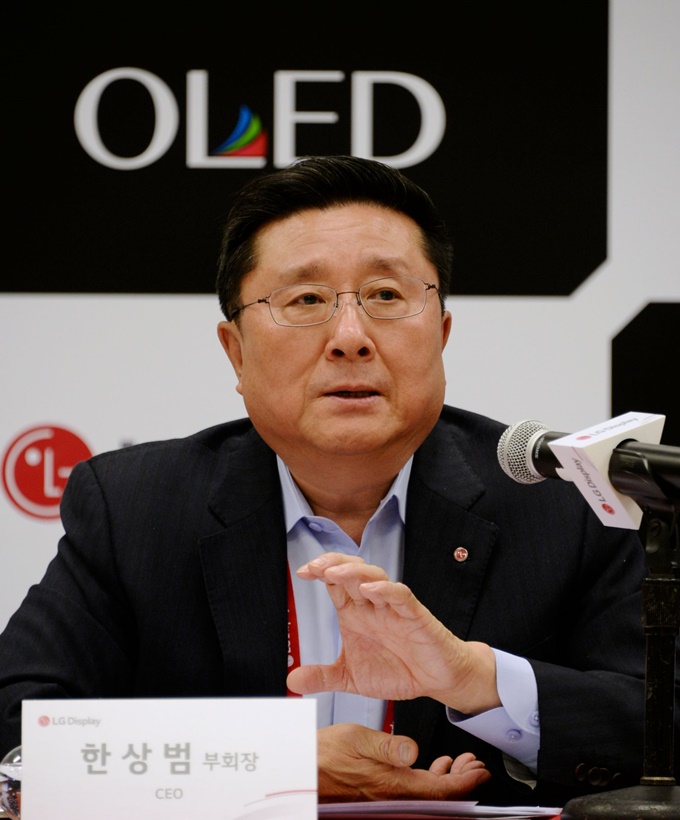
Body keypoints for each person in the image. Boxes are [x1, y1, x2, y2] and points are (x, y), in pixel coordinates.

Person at [0, 155, 674, 808]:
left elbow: (663, 724)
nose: (350, 336)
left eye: (386, 296)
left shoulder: (567, 500)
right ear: (235, 352)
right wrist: (273, 765)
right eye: (306, 299)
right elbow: (18, 741)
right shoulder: (135, 509)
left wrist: (480, 681)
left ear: (441, 335)